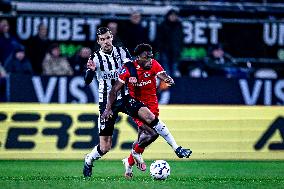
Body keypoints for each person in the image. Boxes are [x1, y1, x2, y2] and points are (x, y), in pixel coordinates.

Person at [83, 28, 190, 178]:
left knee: (151, 123)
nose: (106, 41)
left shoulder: (121, 51)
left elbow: (131, 66)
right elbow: (87, 81)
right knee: (105, 147)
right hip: (107, 101)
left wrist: (132, 77)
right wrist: (91, 71)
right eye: (102, 39)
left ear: (111, 37)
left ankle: (175, 148)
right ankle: (89, 159)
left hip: (126, 96)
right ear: (98, 41)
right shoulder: (95, 57)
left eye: (107, 38)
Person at [156, 9, 184, 77]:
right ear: (168, 16)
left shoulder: (179, 26)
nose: (173, 17)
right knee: (166, 71)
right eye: (171, 15)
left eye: (174, 16)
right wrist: (161, 48)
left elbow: (180, 39)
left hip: (175, 52)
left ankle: (173, 87)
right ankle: (166, 87)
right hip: (165, 52)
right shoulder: (163, 25)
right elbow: (159, 39)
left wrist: (179, 49)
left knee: (174, 71)